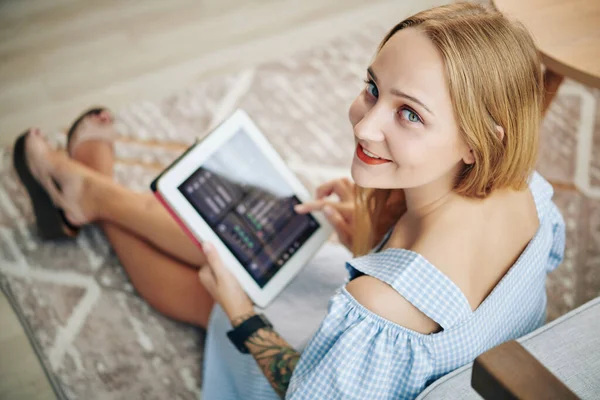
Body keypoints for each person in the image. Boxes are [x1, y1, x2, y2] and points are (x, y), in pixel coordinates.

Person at [13, 2, 565, 399]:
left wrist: (239, 313)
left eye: (409, 113)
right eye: (373, 87)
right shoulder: (529, 193)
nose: (365, 124)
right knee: (260, 249)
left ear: (479, 139)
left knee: (215, 289)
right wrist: (369, 231)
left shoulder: (379, 311)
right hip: (413, 352)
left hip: (338, 371)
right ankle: (91, 193)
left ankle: (91, 187)